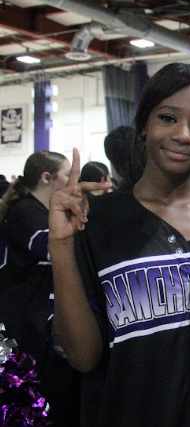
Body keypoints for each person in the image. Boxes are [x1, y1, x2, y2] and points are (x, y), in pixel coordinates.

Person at [48, 63, 190, 426]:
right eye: (167, 118)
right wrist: (61, 246)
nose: (183, 135)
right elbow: (82, 356)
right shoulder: (95, 221)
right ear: (143, 125)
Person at [0, 151, 81, 426]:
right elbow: (52, 249)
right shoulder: (26, 211)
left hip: (39, 319)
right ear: (46, 178)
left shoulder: (41, 211)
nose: (72, 180)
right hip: (26, 321)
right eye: (66, 174)